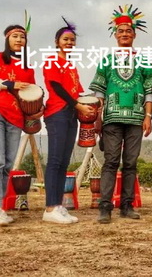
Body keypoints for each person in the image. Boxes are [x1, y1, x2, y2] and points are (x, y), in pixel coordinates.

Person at [89, 5, 152, 224]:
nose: (125, 34)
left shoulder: (144, 60)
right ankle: (105, 207)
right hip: (111, 118)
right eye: (121, 31)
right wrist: (97, 115)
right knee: (110, 161)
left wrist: (148, 116)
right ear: (115, 35)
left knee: (131, 162)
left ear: (134, 35)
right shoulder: (107, 60)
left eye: (128, 31)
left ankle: (127, 205)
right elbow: (99, 90)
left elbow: (148, 90)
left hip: (136, 117)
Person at [0, 24, 41, 226]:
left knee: (6, 165)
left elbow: (30, 95)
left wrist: (36, 109)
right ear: (7, 38)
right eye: (15, 36)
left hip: (16, 117)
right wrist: (9, 84)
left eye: (22, 36)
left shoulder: (27, 68)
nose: (19, 39)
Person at [42, 17, 95, 224]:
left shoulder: (71, 65)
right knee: (55, 160)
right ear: (57, 42)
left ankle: (58, 205)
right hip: (57, 112)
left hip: (71, 113)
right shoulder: (53, 61)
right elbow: (57, 88)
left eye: (72, 40)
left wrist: (90, 103)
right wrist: (78, 105)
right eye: (65, 39)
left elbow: (77, 92)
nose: (69, 43)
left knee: (64, 161)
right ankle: (49, 207)